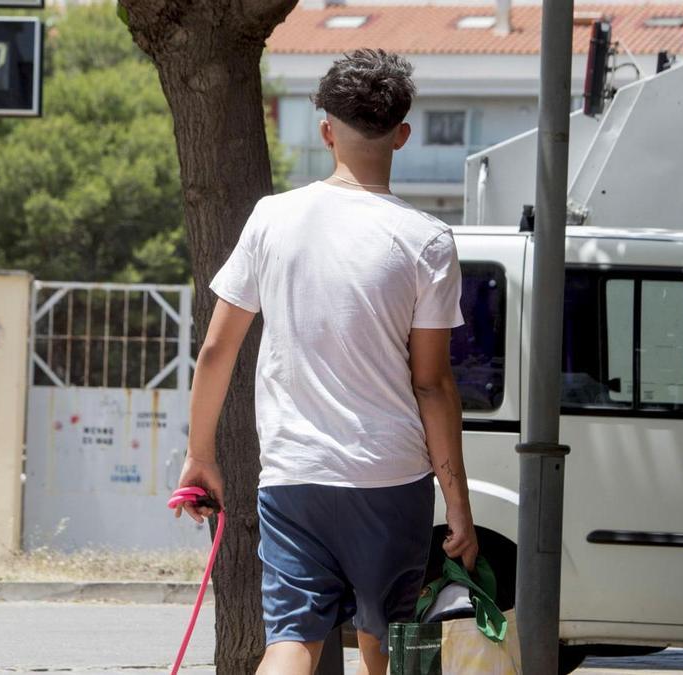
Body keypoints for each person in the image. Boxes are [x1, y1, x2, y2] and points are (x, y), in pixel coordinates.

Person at [171, 49, 478, 675]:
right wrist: (459, 507)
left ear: (326, 130)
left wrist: (201, 457)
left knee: (290, 636)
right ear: (402, 134)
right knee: (383, 638)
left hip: (294, 474)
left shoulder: (271, 218)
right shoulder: (429, 241)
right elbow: (432, 384)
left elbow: (216, 350)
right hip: (391, 478)